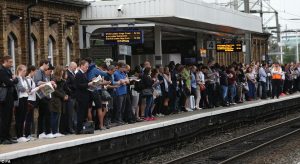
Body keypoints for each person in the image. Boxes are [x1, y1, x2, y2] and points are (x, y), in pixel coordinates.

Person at [34, 60, 56, 139]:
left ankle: (41, 132)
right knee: (47, 113)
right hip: (41, 96)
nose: (48, 67)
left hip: (46, 95)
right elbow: (38, 82)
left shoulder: (43, 73)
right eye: (47, 65)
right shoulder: (39, 72)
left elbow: (44, 84)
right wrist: (49, 82)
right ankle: (47, 132)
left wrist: (51, 85)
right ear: (43, 64)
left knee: (43, 114)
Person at [0, 56, 19, 144]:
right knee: (5, 118)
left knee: (9, 118)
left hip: (10, 96)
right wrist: (13, 80)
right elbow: (8, 82)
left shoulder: (8, 70)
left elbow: (13, 81)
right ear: (5, 61)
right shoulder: (2, 70)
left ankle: (8, 136)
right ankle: (3, 138)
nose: (12, 64)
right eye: (10, 62)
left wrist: (13, 80)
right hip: (4, 98)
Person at [25, 66, 45, 140]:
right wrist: (39, 87)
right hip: (29, 100)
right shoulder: (28, 79)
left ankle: (28, 134)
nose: (35, 73)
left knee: (30, 118)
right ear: (31, 71)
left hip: (33, 100)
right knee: (28, 118)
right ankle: (27, 135)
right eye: (35, 72)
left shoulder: (31, 79)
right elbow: (30, 91)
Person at [75, 60, 94, 134]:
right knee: (81, 113)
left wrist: (91, 82)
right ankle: (78, 130)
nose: (87, 68)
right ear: (81, 66)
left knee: (84, 113)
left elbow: (84, 83)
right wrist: (88, 84)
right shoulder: (78, 74)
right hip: (81, 97)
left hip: (85, 96)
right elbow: (78, 85)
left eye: (87, 67)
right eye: (86, 67)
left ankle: (83, 128)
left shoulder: (83, 74)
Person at [49, 66, 68, 137]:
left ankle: (56, 131)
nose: (63, 72)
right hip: (54, 100)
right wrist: (63, 96)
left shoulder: (60, 79)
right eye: (62, 71)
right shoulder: (54, 79)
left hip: (58, 100)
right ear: (59, 71)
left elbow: (61, 89)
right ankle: (54, 131)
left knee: (57, 115)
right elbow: (54, 91)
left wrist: (65, 95)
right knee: (55, 116)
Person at [15, 65, 31, 142]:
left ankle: (22, 135)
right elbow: (20, 88)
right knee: (19, 117)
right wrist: (26, 89)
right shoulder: (17, 78)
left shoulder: (25, 79)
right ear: (19, 71)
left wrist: (27, 89)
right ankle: (19, 135)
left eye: (25, 71)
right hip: (19, 100)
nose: (25, 72)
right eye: (24, 71)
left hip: (25, 98)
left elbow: (29, 87)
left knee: (23, 117)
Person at [65, 62, 77, 134]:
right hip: (71, 95)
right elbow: (67, 85)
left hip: (75, 96)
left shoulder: (73, 73)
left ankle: (73, 127)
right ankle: (70, 128)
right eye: (74, 68)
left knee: (74, 113)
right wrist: (74, 88)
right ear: (71, 67)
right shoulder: (67, 74)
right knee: (70, 113)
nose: (75, 69)